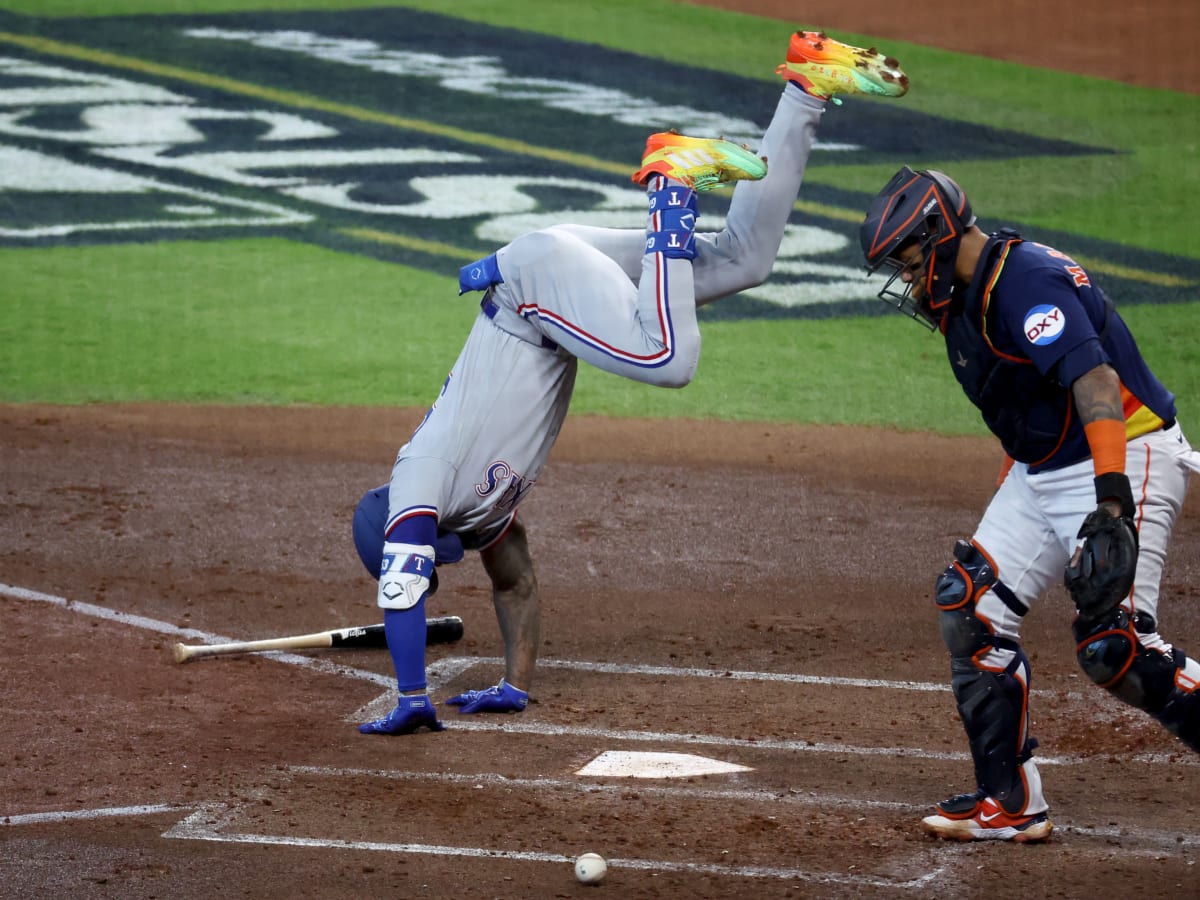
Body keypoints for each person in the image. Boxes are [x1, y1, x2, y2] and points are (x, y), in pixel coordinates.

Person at [351, 30, 910, 735]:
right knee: (744, 261)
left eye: (427, 561)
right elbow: (516, 583)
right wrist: (514, 686)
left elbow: (399, 593)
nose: (435, 569)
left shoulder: (416, 478)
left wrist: (410, 698)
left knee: (667, 359)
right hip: (553, 286)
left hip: (538, 292)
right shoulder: (476, 520)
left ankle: (672, 182)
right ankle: (807, 87)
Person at [859, 166, 1200, 842]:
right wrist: (1016, 493)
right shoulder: (963, 298)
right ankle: (1009, 801)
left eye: (906, 259)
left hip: (1126, 452)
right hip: (1044, 468)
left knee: (1117, 649)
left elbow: (1096, 383)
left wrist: (1110, 504)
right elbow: (1029, 409)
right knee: (971, 607)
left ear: (937, 236)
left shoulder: (1023, 283)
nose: (905, 277)